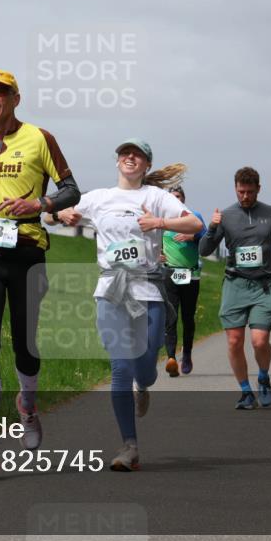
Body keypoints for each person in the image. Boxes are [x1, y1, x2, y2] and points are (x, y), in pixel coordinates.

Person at [0, 70, 80, 458]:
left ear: (15, 99)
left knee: (25, 345)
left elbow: (71, 190)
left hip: (27, 252)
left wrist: (40, 204)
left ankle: (27, 406)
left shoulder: (40, 138)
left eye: (0, 92)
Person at [52, 139, 202, 471]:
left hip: (147, 289)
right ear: (117, 161)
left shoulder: (156, 198)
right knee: (120, 367)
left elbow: (195, 225)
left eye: (137, 154)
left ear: (147, 165)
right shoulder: (98, 198)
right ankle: (129, 446)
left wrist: (159, 223)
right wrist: (59, 214)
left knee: (145, 367)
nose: (129, 157)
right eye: (124, 153)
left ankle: (143, 385)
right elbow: (56, 216)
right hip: (111, 289)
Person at [198, 167, 271, 410]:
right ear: (235, 188)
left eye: (250, 192)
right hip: (235, 283)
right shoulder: (227, 216)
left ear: (258, 189)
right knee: (234, 341)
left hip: (263, 286)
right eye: (241, 191)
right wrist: (211, 228)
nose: (245, 196)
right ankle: (245, 392)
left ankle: (263, 377)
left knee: (259, 340)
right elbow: (204, 250)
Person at [161, 186, 206, 375]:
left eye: (178, 197)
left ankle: (186, 353)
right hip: (169, 274)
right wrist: (157, 254)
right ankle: (171, 358)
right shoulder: (162, 219)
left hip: (190, 274)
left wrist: (192, 236)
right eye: (172, 197)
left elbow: (206, 238)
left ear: (183, 199)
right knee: (170, 317)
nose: (175, 200)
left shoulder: (193, 216)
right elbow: (151, 240)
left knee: (188, 318)